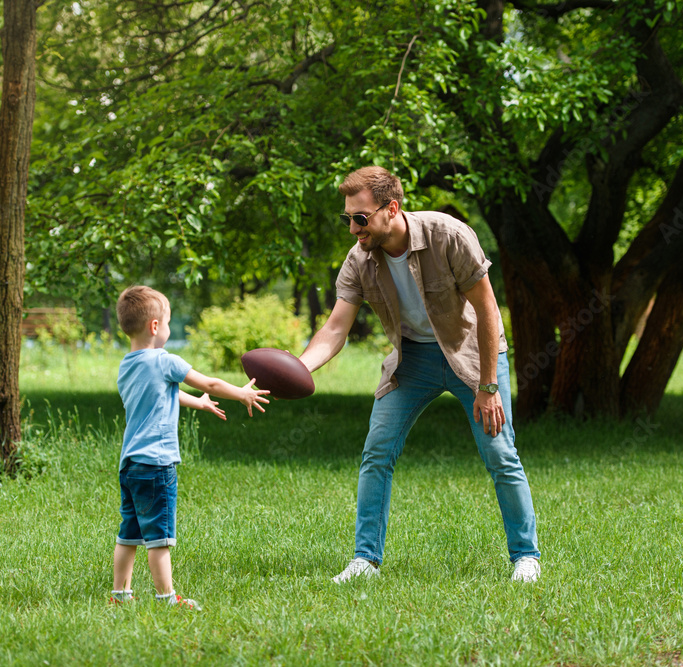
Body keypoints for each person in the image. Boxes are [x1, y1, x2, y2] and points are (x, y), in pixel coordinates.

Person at [298, 166, 541, 583]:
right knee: (377, 451)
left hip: (472, 357)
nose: (353, 228)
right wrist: (296, 369)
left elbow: (487, 311)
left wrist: (488, 386)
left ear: (391, 209)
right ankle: (365, 560)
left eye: (360, 218)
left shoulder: (448, 235)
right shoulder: (360, 258)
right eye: (347, 219)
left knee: (500, 454)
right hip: (413, 362)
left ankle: (526, 557)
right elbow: (336, 328)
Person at [111, 286, 270, 609]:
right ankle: (166, 597)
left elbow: (160, 393)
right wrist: (241, 393)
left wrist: (196, 403)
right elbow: (210, 382)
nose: (169, 329)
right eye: (168, 322)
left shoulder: (128, 365)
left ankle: (120, 595)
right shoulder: (165, 361)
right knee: (159, 536)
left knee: (129, 533)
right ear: (155, 326)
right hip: (157, 464)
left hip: (130, 464)